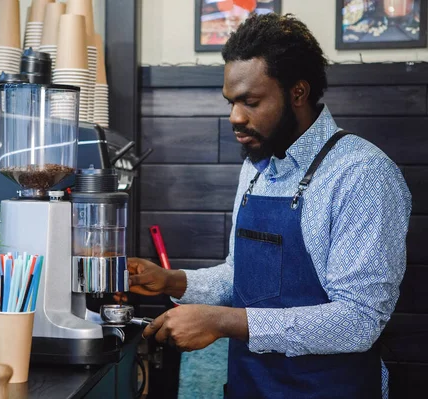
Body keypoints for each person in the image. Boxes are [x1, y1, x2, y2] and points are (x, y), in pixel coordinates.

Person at [117, 13, 411, 399]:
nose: (235, 117)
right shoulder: (257, 168)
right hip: (250, 386)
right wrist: (173, 281)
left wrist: (223, 322)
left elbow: (358, 320)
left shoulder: (362, 174)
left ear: (298, 93)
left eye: (250, 102)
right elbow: (241, 277)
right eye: (231, 102)